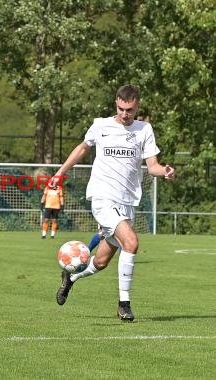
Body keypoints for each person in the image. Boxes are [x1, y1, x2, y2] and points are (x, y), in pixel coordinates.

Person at [50, 84, 175, 321]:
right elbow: (82, 149)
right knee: (131, 242)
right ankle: (124, 304)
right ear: (116, 103)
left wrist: (165, 172)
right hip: (102, 197)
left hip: (126, 202)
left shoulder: (144, 130)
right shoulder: (101, 126)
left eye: (129, 110)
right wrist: (59, 173)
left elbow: (153, 166)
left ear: (137, 105)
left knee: (102, 261)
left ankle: (70, 278)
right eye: (121, 108)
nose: (125, 114)